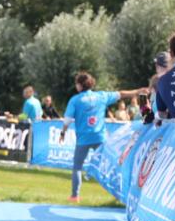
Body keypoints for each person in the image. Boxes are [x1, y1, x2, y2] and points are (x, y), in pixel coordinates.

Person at [61, 72, 148, 203]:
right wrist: (137, 91)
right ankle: (120, 195)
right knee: (113, 164)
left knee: (77, 167)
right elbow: (121, 94)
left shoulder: (75, 100)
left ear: (79, 85)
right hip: (100, 138)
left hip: (83, 139)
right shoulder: (101, 96)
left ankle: (75, 196)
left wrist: (63, 132)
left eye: (76, 83)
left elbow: (67, 120)